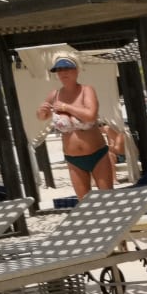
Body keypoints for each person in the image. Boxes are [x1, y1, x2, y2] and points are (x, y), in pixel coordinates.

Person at [39, 53, 114, 197]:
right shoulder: (54, 95)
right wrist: (42, 111)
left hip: (97, 155)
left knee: (107, 200)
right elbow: (42, 116)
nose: (63, 73)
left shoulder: (86, 90)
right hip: (73, 159)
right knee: (84, 203)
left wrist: (66, 107)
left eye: (67, 68)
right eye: (59, 70)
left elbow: (91, 115)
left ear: (77, 70)